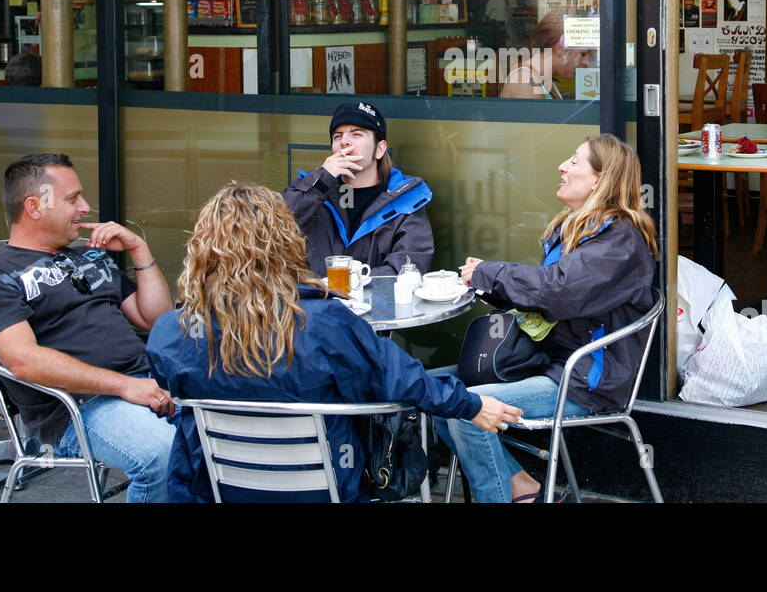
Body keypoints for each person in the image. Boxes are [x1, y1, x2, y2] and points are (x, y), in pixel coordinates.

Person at [146, 183, 522, 502]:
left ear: (203, 250)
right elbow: (399, 379)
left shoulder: (171, 332)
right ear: (284, 240)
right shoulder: (324, 323)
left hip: (217, 487)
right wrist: (470, 405)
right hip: (324, 486)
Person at [437, 134, 657, 502]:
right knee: (433, 392)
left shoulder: (619, 240)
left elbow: (556, 291)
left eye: (574, 161)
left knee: (464, 410)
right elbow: (551, 299)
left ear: (599, 181)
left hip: (586, 379)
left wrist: (492, 274)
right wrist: (486, 281)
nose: (562, 167)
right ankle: (523, 488)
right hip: (551, 362)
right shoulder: (579, 228)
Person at [0, 153, 175, 502]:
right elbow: (24, 361)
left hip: (146, 382)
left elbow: (157, 321)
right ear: (34, 206)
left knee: (231, 431)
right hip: (79, 408)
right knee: (162, 455)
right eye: (73, 198)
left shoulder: (87, 256)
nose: (85, 207)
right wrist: (124, 387)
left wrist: (138, 250)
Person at [283, 100, 433, 279]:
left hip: (376, 306)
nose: (344, 142)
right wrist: (322, 181)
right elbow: (273, 228)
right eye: (337, 136)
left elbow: (408, 269)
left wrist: (350, 282)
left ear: (380, 149)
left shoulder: (407, 200)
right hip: (315, 305)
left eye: (357, 134)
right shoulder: (311, 190)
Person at [501, 10, 595, 99]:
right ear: (560, 49)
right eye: (583, 54)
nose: (586, 62)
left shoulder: (543, 79)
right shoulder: (526, 82)